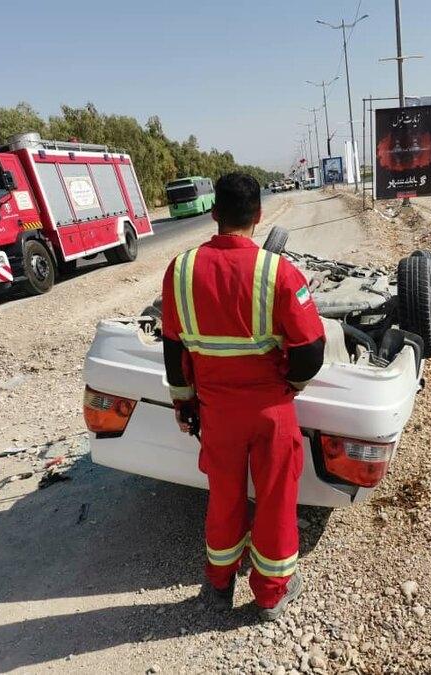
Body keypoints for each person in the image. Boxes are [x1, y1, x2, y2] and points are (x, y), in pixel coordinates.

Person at [161, 173, 325, 620]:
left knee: (224, 496)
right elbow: (311, 351)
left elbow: (174, 348)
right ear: (258, 215)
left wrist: (184, 403)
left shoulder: (180, 270)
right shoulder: (279, 272)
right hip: (271, 411)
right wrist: (289, 385)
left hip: (216, 411)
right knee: (274, 498)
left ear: (214, 213)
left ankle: (217, 585)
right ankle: (271, 594)